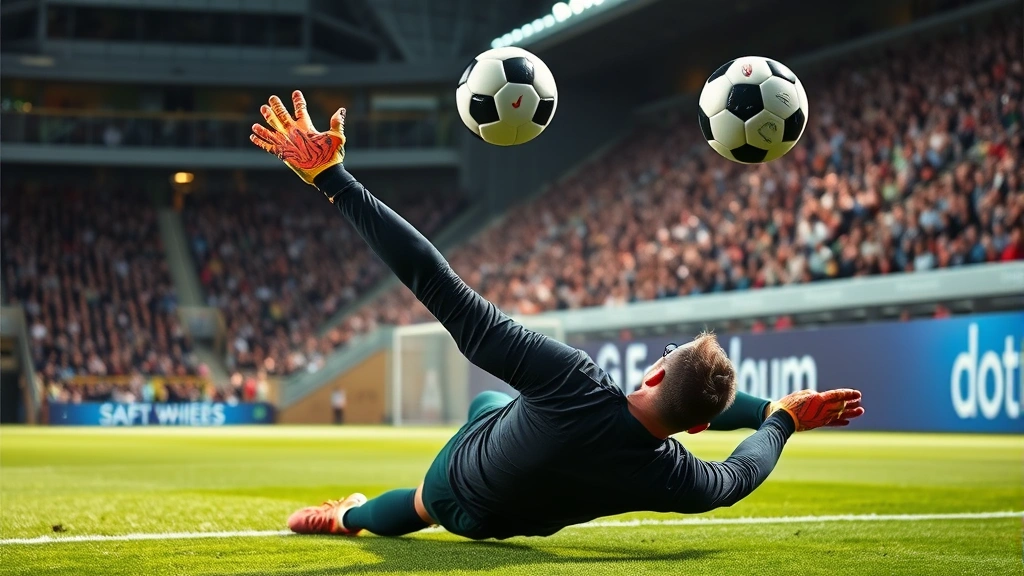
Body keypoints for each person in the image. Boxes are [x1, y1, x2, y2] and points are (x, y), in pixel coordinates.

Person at [250, 91, 865, 540]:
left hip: (455, 487)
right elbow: (738, 477)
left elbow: (433, 280)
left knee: (429, 488)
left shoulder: (572, 382)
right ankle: (362, 510)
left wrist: (335, 180)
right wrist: (778, 418)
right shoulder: (673, 476)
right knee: (491, 405)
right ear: (701, 428)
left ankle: (348, 514)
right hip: (507, 520)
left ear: (654, 374)